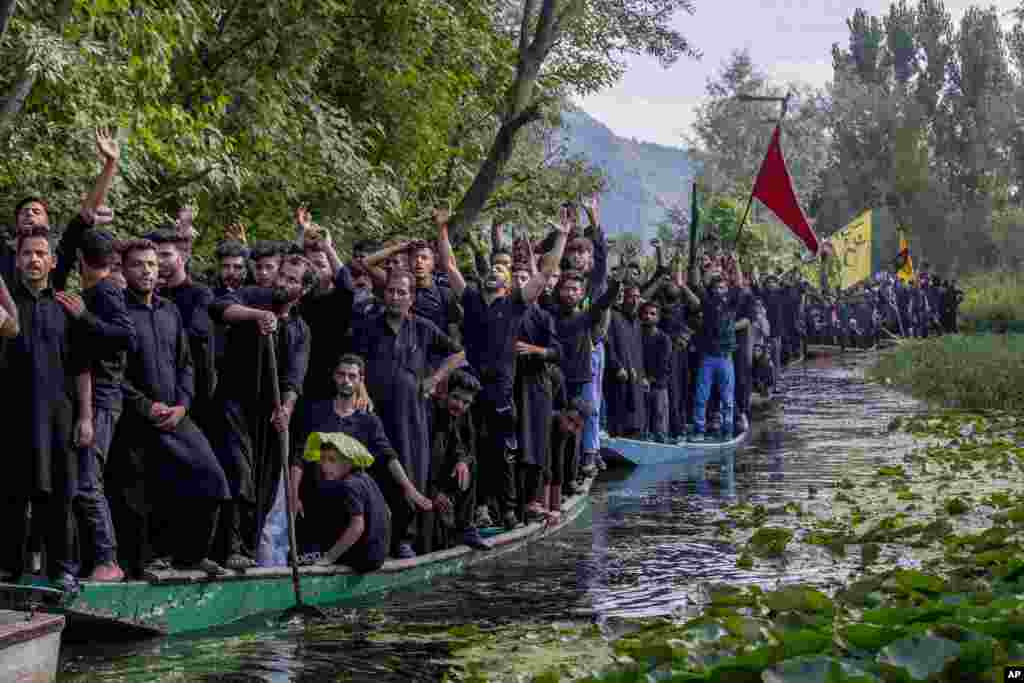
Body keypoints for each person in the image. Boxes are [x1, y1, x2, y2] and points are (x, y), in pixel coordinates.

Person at [436, 206, 569, 531]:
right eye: (492, 268)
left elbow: (544, 274)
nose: (495, 271)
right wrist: (442, 229)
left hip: (502, 391)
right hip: (470, 389)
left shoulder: (514, 304)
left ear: (507, 283)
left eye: (501, 270)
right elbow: (450, 265)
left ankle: (509, 510)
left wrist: (562, 237)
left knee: (505, 453)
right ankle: (476, 510)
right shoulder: (470, 298)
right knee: (471, 450)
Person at [109, 239, 231, 577]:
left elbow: (186, 363)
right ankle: (144, 563)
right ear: (123, 269)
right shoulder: (117, 311)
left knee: (213, 480)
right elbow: (112, 373)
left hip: (176, 414)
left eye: (151, 264)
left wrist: (182, 405)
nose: (147, 270)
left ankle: (191, 556)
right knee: (139, 497)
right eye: (138, 264)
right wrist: (146, 407)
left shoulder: (169, 310)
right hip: (134, 418)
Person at [348, 268, 464, 558]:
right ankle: (372, 539)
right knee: (372, 472)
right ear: (383, 294)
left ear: (412, 297)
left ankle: (405, 540)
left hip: (411, 417)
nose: (396, 297)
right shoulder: (368, 325)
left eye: (402, 292)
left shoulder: (423, 327)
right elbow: (353, 362)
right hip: (374, 414)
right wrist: (360, 387)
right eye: (391, 291)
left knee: (411, 473)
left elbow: (460, 353)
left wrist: (436, 379)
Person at [209, 253, 314, 570]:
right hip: (234, 405)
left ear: (303, 290)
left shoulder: (300, 330)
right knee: (238, 473)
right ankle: (229, 547)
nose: (282, 282)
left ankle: (249, 552)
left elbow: (295, 377)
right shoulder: (255, 296)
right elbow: (219, 308)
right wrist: (256, 315)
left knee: (262, 485)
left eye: (292, 280)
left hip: (269, 417)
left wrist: (286, 408)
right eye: (282, 275)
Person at [0, 228, 91, 592]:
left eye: (41, 254)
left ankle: (63, 570)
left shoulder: (67, 306)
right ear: (17, 260)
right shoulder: (7, 310)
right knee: (9, 494)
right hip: (12, 415)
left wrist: (85, 417)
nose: (34, 260)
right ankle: (8, 569)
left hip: (59, 416)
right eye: (27, 254)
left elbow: (84, 367)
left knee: (59, 496)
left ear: (53, 261)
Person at [60, 229, 137, 583]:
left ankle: (109, 561)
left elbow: (126, 337)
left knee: (90, 482)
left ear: (80, 262)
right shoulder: (96, 292)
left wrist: (84, 317)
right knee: (84, 481)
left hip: (104, 397)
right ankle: (96, 560)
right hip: (96, 398)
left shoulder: (104, 292)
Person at [289, 354, 405, 556]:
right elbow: (299, 455)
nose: (346, 381)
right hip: (316, 497)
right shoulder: (317, 411)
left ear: (361, 380)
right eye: (342, 375)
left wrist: (409, 488)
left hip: (350, 501)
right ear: (334, 376)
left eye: (352, 376)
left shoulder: (368, 420)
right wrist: (293, 493)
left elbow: (388, 455)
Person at [148, 229, 219, 436]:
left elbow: (195, 335)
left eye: (166, 255)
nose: (159, 262)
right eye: (155, 256)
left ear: (182, 256)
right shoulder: (147, 295)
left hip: (196, 396)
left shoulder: (201, 294)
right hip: (157, 396)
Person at [510, 263, 562, 524]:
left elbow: (556, 352)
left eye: (524, 277)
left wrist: (534, 349)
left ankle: (534, 499)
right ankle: (509, 505)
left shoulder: (543, 316)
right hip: (508, 383)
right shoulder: (503, 310)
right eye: (516, 277)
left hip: (535, 384)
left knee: (535, 442)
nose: (520, 282)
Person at [300, 432, 390, 572]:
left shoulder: (350, 485)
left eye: (332, 460)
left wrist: (328, 559)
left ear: (348, 462)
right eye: (322, 459)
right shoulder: (366, 478)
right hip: (379, 556)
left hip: (364, 560)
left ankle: (317, 557)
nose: (325, 465)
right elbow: (388, 512)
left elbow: (357, 527)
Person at [426, 369, 491, 551]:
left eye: (466, 402)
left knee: (470, 464)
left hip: (443, 481)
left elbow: (465, 447)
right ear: (445, 393)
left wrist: (462, 461)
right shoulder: (430, 413)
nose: (460, 405)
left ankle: (466, 527)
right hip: (425, 484)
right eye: (456, 398)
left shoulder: (462, 415)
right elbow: (424, 462)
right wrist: (435, 492)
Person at [689, 274, 749, 443]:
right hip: (708, 358)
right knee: (701, 397)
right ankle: (699, 430)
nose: (719, 291)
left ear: (727, 290)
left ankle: (727, 430)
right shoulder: (707, 304)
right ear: (711, 290)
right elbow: (694, 285)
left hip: (725, 358)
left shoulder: (732, 304)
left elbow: (738, 283)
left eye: (722, 287)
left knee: (727, 399)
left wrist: (736, 264)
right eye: (716, 288)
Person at [605, 282, 646, 438]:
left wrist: (643, 376)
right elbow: (609, 345)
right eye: (631, 297)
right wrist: (617, 366)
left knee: (636, 414)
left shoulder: (636, 322)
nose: (635, 301)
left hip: (635, 377)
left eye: (637, 297)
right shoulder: (615, 317)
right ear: (624, 299)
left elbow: (638, 352)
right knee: (619, 412)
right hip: (619, 375)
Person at [639, 301, 671, 442]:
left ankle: (661, 440)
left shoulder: (664, 339)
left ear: (658, 318)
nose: (648, 316)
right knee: (642, 418)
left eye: (652, 314)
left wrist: (650, 379)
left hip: (658, 384)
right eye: (645, 313)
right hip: (640, 382)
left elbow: (663, 365)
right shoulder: (637, 335)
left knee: (659, 416)